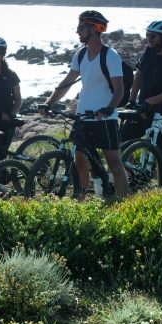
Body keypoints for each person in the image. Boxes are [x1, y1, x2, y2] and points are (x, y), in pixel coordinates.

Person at [39, 10, 129, 198]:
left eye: (81, 27)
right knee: (78, 156)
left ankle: (123, 203)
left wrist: (109, 108)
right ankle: (82, 198)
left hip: (105, 117)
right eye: (78, 27)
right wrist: (48, 103)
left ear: (94, 29)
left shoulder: (110, 56)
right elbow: (66, 83)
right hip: (83, 115)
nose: (77, 31)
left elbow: (119, 89)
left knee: (114, 162)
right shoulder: (80, 55)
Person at [121, 20, 162, 151]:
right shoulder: (149, 51)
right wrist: (132, 99)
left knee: (158, 147)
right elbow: (139, 74)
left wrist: (151, 101)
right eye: (147, 35)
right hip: (145, 105)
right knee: (122, 141)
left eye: (153, 36)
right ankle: (130, 172)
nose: (149, 39)